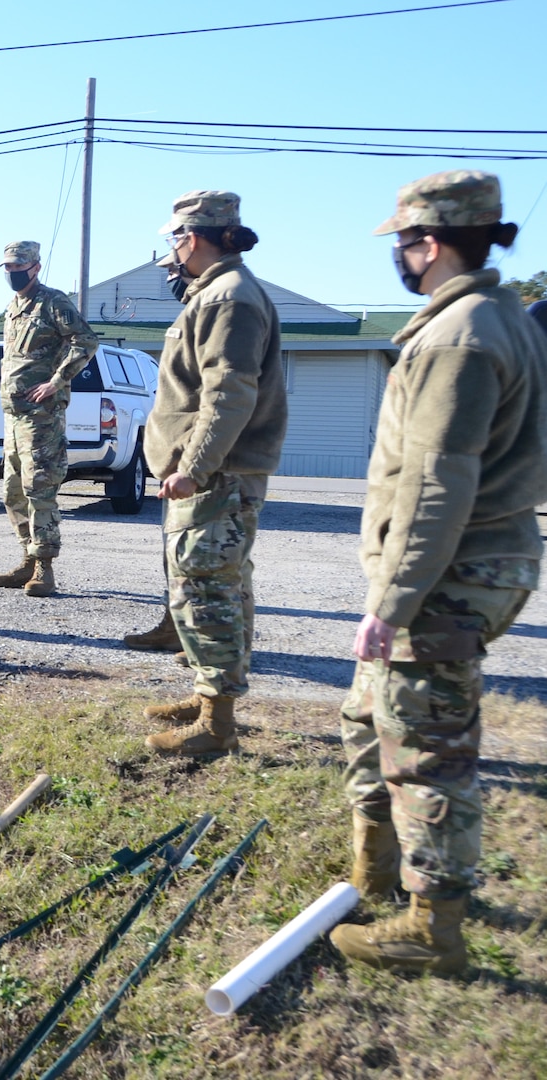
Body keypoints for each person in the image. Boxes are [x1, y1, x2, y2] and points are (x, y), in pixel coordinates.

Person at [329, 171, 547, 975]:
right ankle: (374, 868)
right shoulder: (495, 318)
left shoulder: (461, 336)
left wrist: (391, 601)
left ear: (429, 242)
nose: (398, 255)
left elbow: (436, 481)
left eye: (401, 242)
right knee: (367, 715)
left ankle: (432, 926)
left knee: (426, 747)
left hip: (448, 572)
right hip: (461, 563)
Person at [140, 191, 287, 755]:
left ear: (191, 237)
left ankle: (216, 726)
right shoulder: (218, 293)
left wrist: (195, 469)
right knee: (218, 587)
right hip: (212, 476)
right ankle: (209, 698)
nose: (172, 253)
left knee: (208, 592)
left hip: (216, 477)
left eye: (174, 239)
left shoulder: (230, 298)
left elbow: (229, 394)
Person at [0, 241, 97, 598]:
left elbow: (85, 341)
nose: (12, 272)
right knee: (12, 492)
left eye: (18, 266)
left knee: (40, 489)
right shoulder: (13, 308)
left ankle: (44, 568)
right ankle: (26, 560)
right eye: (7, 267)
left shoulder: (53, 302)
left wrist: (57, 380)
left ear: (35, 266)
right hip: (13, 416)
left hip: (41, 417)